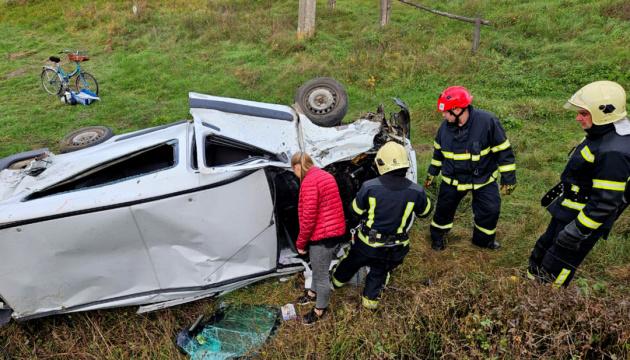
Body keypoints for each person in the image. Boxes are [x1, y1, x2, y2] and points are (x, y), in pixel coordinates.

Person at [528, 80, 629, 287]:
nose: (578, 118)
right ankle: (527, 289)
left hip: (582, 218)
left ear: (604, 112)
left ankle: (545, 304)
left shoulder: (614, 153)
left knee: (557, 264)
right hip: (568, 208)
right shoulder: (602, 132)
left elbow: (605, 203)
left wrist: (578, 230)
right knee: (543, 249)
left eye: (584, 113)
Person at [331, 141, 432, 310]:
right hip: (395, 249)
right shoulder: (416, 191)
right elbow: (425, 212)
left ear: (381, 163)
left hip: (367, 245)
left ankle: (336, 282)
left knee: (351, 262)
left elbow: (355, 210)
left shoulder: (369, 187)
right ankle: (369, 304)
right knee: (379, 272)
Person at [425, 86, 516, 251]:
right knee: (443, 210)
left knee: (490, 210)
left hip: (482, 178)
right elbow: (438, 153)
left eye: (446, 112)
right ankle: (438, 237)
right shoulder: (444, 129)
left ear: (458, 109)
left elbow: (504, 151)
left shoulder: (487, 122)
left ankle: (483, 240)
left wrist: (508, 178)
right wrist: (432, 173)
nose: (443, 115)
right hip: (452, 180)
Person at [291, 151, 346, 324]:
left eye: (294, 170)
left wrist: (301, 243)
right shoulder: (324, 175)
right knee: (318, 265)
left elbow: (308, 218)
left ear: (298, 166)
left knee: (321, 274)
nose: (294, 174)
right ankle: (312, 293)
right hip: (334, 231)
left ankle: (320, 309)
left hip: (323, 235)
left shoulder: (308, 183)